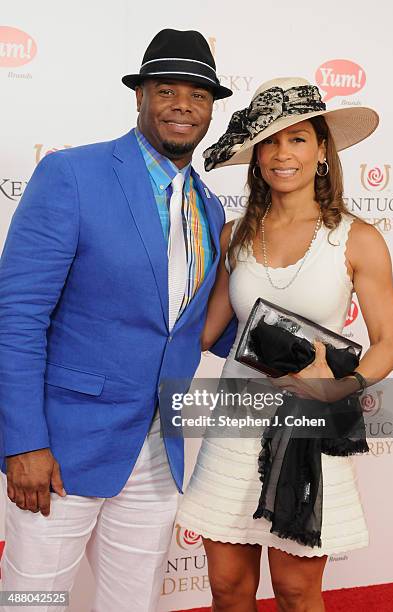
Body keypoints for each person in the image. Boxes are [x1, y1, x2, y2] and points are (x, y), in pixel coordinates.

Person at [0, 29, 235, 612]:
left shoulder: (209, 206)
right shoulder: (73, 176)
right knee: (33, 601)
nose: (183, 105)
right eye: (167, 90)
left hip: (159, 451)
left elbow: (193, 326)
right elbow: (17, 317)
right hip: (62, 449)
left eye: (198, 95)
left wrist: (299, 349)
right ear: (139, 97)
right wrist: (24, 441)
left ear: (211, 109)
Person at [177, 77, 393, 612]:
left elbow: (390, 341)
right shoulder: (234, 235)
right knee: (228, 587)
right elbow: (203, 333)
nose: (283, 154)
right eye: (271, 142)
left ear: (322, 150)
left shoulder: (359, 238)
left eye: (298, 138)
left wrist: (341, 386)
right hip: (234, 425)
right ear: (256, 157)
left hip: (309, 428)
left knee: (297, 590)